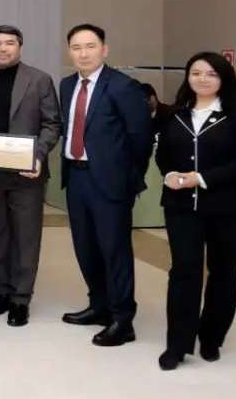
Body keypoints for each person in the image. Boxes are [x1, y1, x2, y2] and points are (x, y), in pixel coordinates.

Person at [155, 52, 236, 370]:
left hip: (227, 208)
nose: (202, 78)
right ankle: (177, 344)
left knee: (223, 273)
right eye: (196, 72)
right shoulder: (174, 114)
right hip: (180, 207)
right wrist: (169, 173)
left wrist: (202, 178)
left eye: (211, 73)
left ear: (224, 78)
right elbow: (164, 154)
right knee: (184, 272)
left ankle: (211, 338)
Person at [58, 24, 152, 347]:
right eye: (76, 47)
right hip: (77, 177)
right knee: (85, 247)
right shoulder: (67, 84)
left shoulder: (124, 87)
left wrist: (128, 178)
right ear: (69, 51)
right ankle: (99, 306)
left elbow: (140, 139)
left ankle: (123, 319)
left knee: (115, 251)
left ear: (104, 49)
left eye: (90, 46)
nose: (83, 53)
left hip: (111, 183)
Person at [0, 25, 61, 327]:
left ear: (20, 46)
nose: (2, 49)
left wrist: (39, 155)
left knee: (26, 237)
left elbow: (52, 124)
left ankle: (21, 299)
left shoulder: (39, 79)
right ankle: (1, 292)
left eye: (9, 43)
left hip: (25, 172)